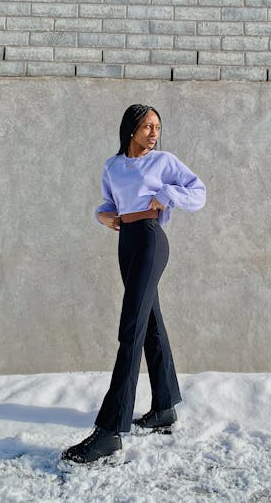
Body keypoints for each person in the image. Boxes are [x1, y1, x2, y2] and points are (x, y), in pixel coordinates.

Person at [61, 104, 206, 465]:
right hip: (127, 239)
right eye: (146, 127)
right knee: (150, 323)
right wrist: (102, 214)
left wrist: (168, 196)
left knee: (132, 329)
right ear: (130, 130)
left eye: (157, 126)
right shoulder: (113, 166)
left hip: (150, 239)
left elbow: (198, 191)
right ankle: (164, 407)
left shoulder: (164, 161)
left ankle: (110, 431)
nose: (154, 133)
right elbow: (110, 202)